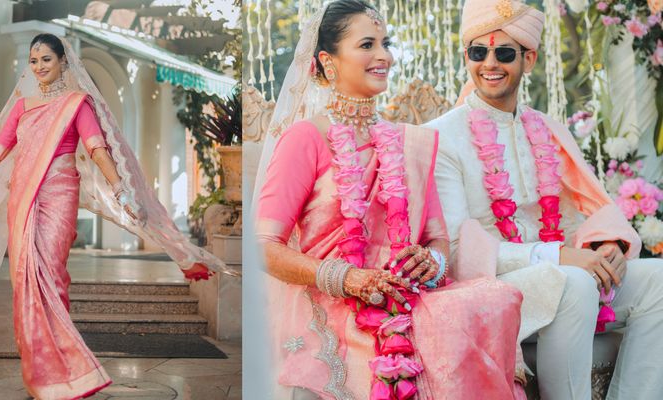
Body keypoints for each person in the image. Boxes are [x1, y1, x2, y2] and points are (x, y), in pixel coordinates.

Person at [0, 34, 232, 399]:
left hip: (59, 194)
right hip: (23, 199)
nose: (39, 67)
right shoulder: (22, 107)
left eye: (46, 60)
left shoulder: (76, 105)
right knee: (25, 278)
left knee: (52, 277)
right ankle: (40, 371)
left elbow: (98, 150)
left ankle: (67, 370)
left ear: (63, 63)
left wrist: (121, 191)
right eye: (34, 60)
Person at [253, 1, 526, 398]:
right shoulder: (306, 138)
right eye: (367, 45)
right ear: (329, 61)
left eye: (386, 43)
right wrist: (348, 278)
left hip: (406, 300)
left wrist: (430, 261)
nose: (385, 56)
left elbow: (437, 240)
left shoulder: (409, 141)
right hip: (332, 306)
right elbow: (264, 249)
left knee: (495, 299)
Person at [426, 0, 663, 398]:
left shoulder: (545, 129)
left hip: (558, 269)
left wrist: (605, 246)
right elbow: (453, 249)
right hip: (487, 283)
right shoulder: (442, 137)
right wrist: (559, 258)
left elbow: (577, 211)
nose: (490, 64)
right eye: (477, 52)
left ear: (529, 58)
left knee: (658, 279)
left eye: (504, 53)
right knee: (574, 282)